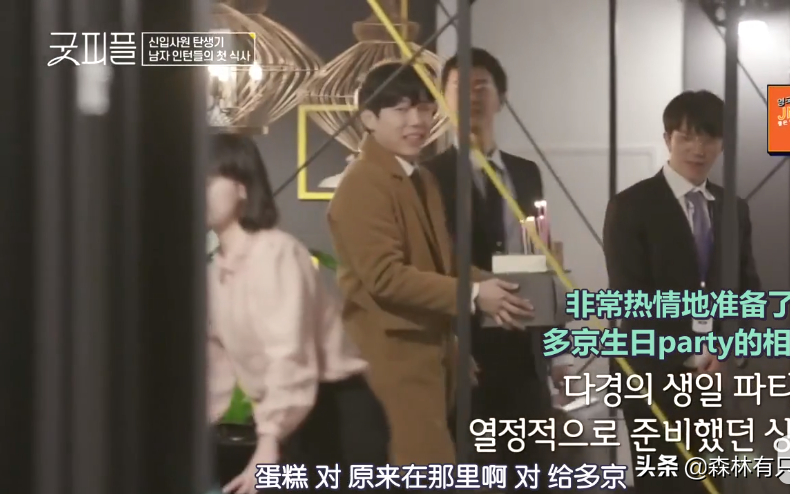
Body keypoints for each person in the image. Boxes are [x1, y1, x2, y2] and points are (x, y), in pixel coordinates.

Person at [326, 62, 534, 468]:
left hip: (433, 353)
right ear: (369, 118)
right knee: (422, 469)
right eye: (402, 109)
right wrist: (476, 294)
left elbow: (445, 262)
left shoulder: (420, 178)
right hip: (392, 357)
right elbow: (386, 277)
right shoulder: (363, 181)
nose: (417, 121)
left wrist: (506, 288)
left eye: (424, 108)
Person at [206, 134, 389, 494]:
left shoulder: (277, 253)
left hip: (336, 415)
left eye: (207, 180)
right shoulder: (218, 272)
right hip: (290, 421)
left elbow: (289, 354)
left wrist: (269, 440)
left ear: (242, 187)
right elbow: (216, 365)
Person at [602, 90, 761, 494]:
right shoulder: (630, 205)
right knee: (664, 484)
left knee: (711, 483)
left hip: (716, 378)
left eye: (709, 137)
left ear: (722, 143)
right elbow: (632, 298)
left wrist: (728, 353)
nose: (698, 149)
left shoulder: (734, 208)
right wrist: (693, 354)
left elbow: (748, 291)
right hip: (653, 375)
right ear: (667, 139)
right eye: (687, 137)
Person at [424, 48, 553, 492]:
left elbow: (540, 256)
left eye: (483, 86)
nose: (472, 96)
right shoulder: (428, 176)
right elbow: (429, 264)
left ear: (502, 98)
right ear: (443, 99)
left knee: (533, 474)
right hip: (466, 352)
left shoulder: (526, 173)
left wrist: (554, 349)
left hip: (524, 352)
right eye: (460, 87)